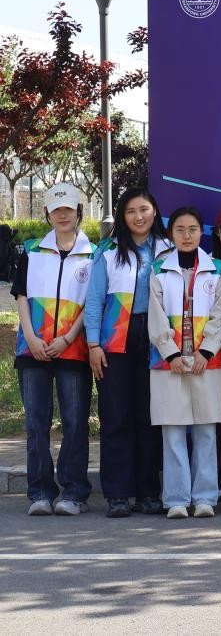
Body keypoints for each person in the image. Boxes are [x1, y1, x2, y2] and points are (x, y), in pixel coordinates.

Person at [85, 187, 172, 518]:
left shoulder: (169, 248)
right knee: (116, 417)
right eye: (131, 211)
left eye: (144, 209)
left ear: (155, 211)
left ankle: (149, 492)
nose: (139, 216)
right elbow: (94, 301)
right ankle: (118, 494)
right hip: (115, 341)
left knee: (150, 417)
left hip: (157, 339)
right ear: (122, 216)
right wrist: (93, 344)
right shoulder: (108, 251)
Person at [12, 183, 95, 517]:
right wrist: (31, 338)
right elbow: (20, 296)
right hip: (32, 350)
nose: (62, 215)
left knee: (75, 422)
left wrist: (69, 337)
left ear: (79, 212)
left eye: (68, 209)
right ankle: (40, 492)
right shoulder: (32, 250)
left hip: (73, 351)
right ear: (47, 214)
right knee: (36, 423)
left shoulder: (93, 254)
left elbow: (90, 303)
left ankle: (74, 492)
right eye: (56, 209)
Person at [148, 206, 221, 519]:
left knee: (206, 430)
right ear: (171, 234)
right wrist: (170, 353)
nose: (186, 235)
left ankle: (205, 497)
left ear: (201, 232)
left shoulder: (217, 269)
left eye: (192, 229)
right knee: (173, 431)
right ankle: (177, 499)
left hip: (207, 363)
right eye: (180, 230)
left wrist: (206, 351)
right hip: (168, 364)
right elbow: (155, 314)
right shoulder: (158, 269)